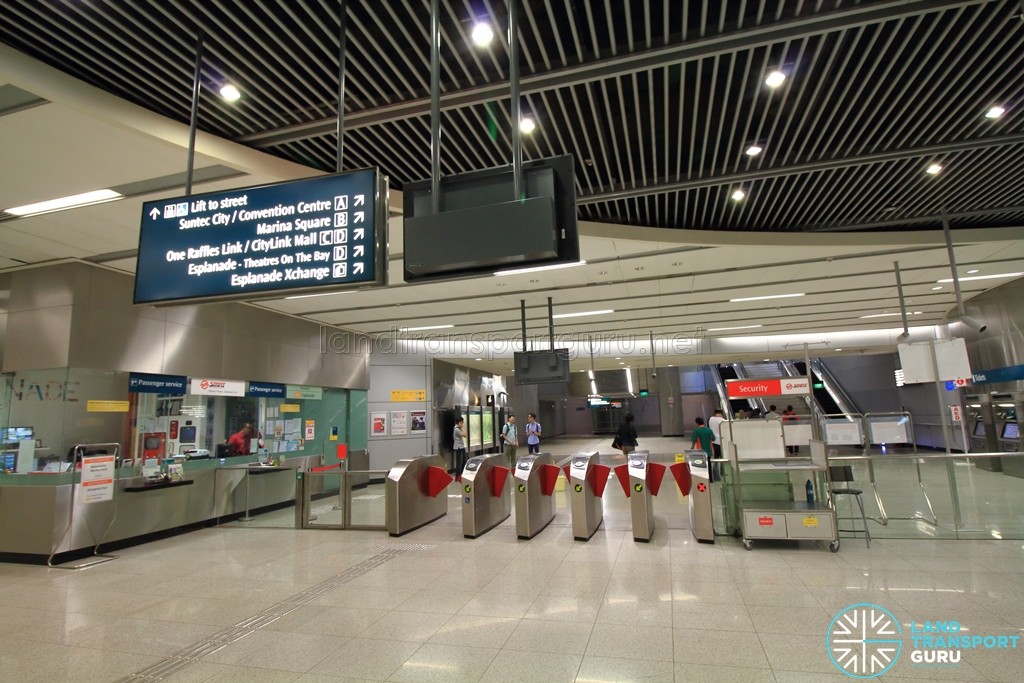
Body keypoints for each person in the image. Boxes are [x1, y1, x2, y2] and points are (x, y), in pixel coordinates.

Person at [708, 408, 725, 482]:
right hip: (722, 441)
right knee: (723, 458)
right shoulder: (723, 421)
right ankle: (723, 473)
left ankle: (715, 475)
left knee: (715, 459)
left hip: (714, 441)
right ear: (721, 413)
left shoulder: (711, 419)